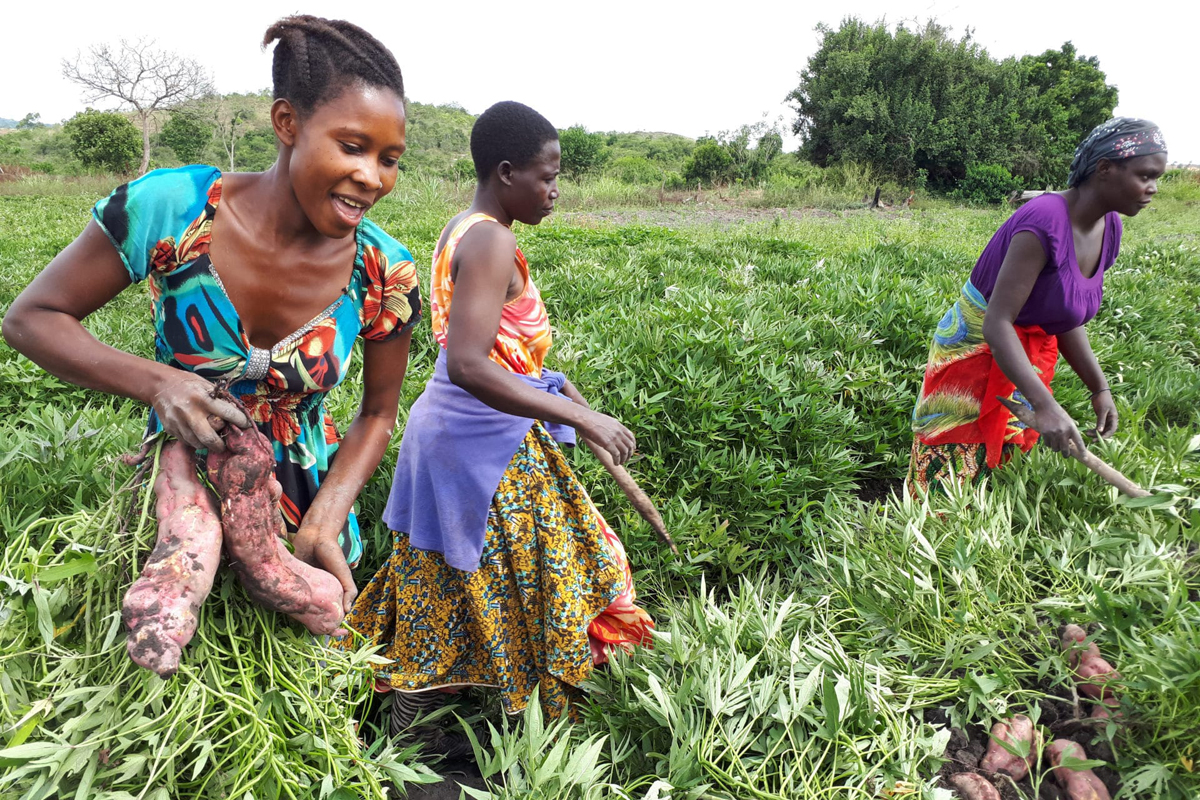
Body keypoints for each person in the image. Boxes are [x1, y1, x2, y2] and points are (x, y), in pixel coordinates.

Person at [1, 15, 420, 607]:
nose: (371, 177)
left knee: (289, 687)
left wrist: (326, 516)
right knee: (160, 652)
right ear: (287, 122)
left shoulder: (384, 269)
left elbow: (378, 413)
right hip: (179, 507)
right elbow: (31, 317)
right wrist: (160, 384)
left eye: (390, 158)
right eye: (352, 147)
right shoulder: (175, 208)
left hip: (301, 525)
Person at [335, 101, 654, 742]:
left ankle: (409, 735)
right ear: (507, 172)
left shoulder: (465, 228)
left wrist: (576, 403)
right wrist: (579, 419)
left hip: (462, 440)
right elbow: (470, 365)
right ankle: (536, 738)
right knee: (562, 577)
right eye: (547, 176)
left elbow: (513, 358)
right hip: (481, 446)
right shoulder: (490, 239)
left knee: (451, 585)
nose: (555, 191)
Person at [908, 118, 1167, 494]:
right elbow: (997, 323)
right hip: (974, 355)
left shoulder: (1109, 227)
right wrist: (1045, 405)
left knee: (1002, 474)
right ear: (1105, 169)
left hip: (1020, 360)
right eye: (1145, 175)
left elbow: (1063, 314)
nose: (1153, 188)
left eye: (1157, 178)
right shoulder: (1043, 221)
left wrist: (1099, 388)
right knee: (950, 470)